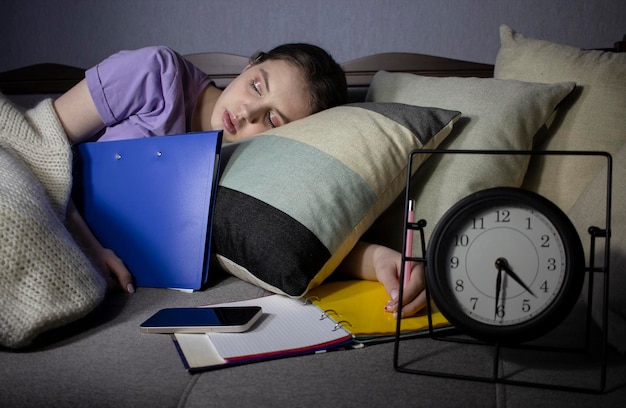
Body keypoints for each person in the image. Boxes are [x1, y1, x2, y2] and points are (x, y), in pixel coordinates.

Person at [52, 44, 425, 318]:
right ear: (252, 63)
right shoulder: (153, 73)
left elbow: (273, 237)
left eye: (273, 120)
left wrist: (376, 257)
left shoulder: (252, 161)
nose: (246, 113)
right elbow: (39, 143)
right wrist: (90, 248)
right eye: (256, 86)